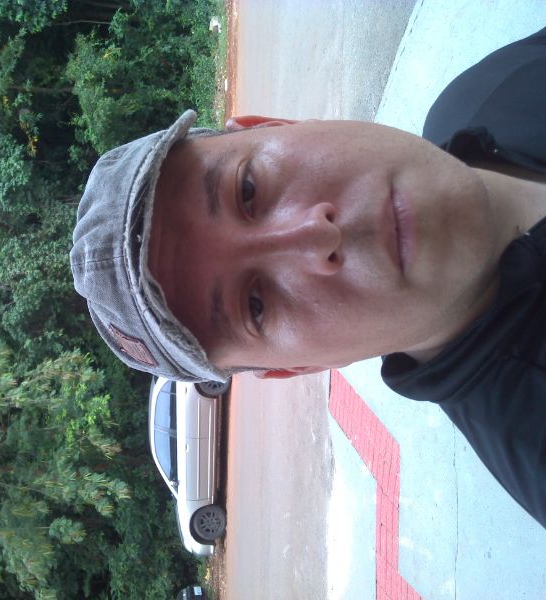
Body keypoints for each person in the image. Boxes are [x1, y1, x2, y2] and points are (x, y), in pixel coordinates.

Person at [70, 28, 546, 527]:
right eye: (255, 306)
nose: (317, 237)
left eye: (247, 190)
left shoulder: (484, 94)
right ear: (298, 367)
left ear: (273, 124)